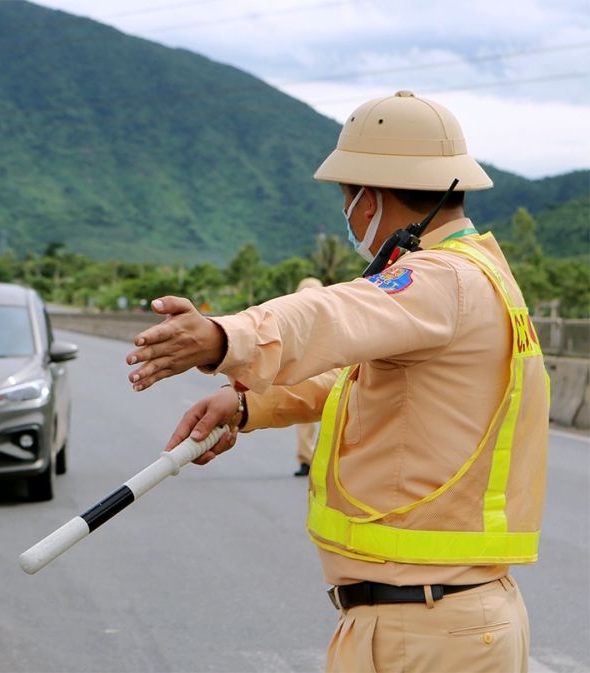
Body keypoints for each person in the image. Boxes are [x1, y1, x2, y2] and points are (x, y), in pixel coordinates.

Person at [125, 91, 548, 673]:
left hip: (425, 631)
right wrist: (247, 407)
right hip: (435, 620)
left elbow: (328, 315)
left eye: (347, 196)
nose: (348, 212)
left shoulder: (440, 278)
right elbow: (357, 376)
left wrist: (227, 338)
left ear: (368, 197)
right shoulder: (478, 274)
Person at [292, 276, 323, 477]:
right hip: (326, 372)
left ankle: (307, 459)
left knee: (305, 421)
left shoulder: (296, 315)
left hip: (307, 372)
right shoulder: (329, 311)